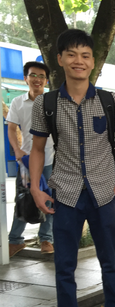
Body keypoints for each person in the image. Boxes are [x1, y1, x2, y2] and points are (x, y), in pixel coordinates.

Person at [29, 29, 115, 307]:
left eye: (85, 55)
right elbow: (37, 149)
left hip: (104, 192)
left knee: (110, 260)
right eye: (72, 54)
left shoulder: (110, 102)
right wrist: (36, 188)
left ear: (93, 62)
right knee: (65, 262)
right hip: (65, 192)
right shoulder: (46, 104)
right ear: (60, 59)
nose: (79, 60)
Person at [6, 61, 55, 257]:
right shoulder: (18, 102)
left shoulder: (53, 101)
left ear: (46, 80)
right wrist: (17, 150)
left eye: (42, 76)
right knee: (23, 197)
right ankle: (15, 240)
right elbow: (11, 129)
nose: (37, 79)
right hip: (26, 160)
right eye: (33, 75)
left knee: (49, 198)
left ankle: (46, 239)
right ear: (25, 78)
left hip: (50, 160)